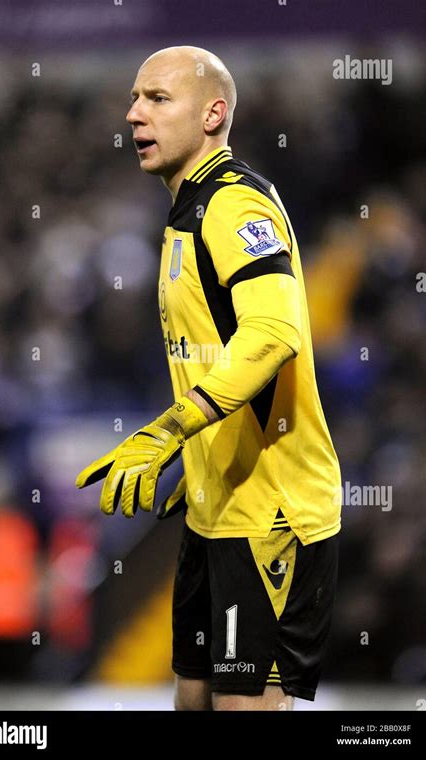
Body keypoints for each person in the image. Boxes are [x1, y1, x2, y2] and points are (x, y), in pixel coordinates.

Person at [76, 46, 341, 711]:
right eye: (135, 97)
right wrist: (198, 458)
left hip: (272, 510)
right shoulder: (187, 210)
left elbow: (272, 334)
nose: (134, 112)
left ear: (213, 113)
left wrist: (171, 430)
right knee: (192, 700)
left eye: (158, 99)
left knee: (241, 707)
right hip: (216, 507)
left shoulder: (233, 205)